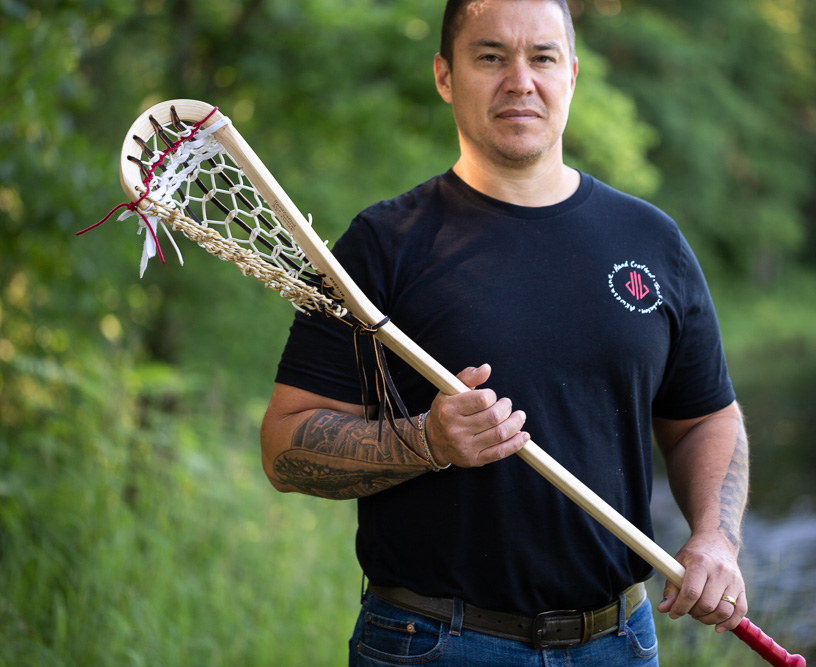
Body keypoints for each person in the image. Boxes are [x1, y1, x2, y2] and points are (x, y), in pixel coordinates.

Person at [260, 0, 750, 663]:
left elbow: (704, 419)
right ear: (445, 75)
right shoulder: (381, 246)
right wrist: (424, 441)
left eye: (542, 57)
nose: (520, 81)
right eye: (490, 57)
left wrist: (716, 538)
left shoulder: (651, 240)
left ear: (571, 74)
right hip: (433, 643)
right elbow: (285, 446)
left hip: (619, 642)